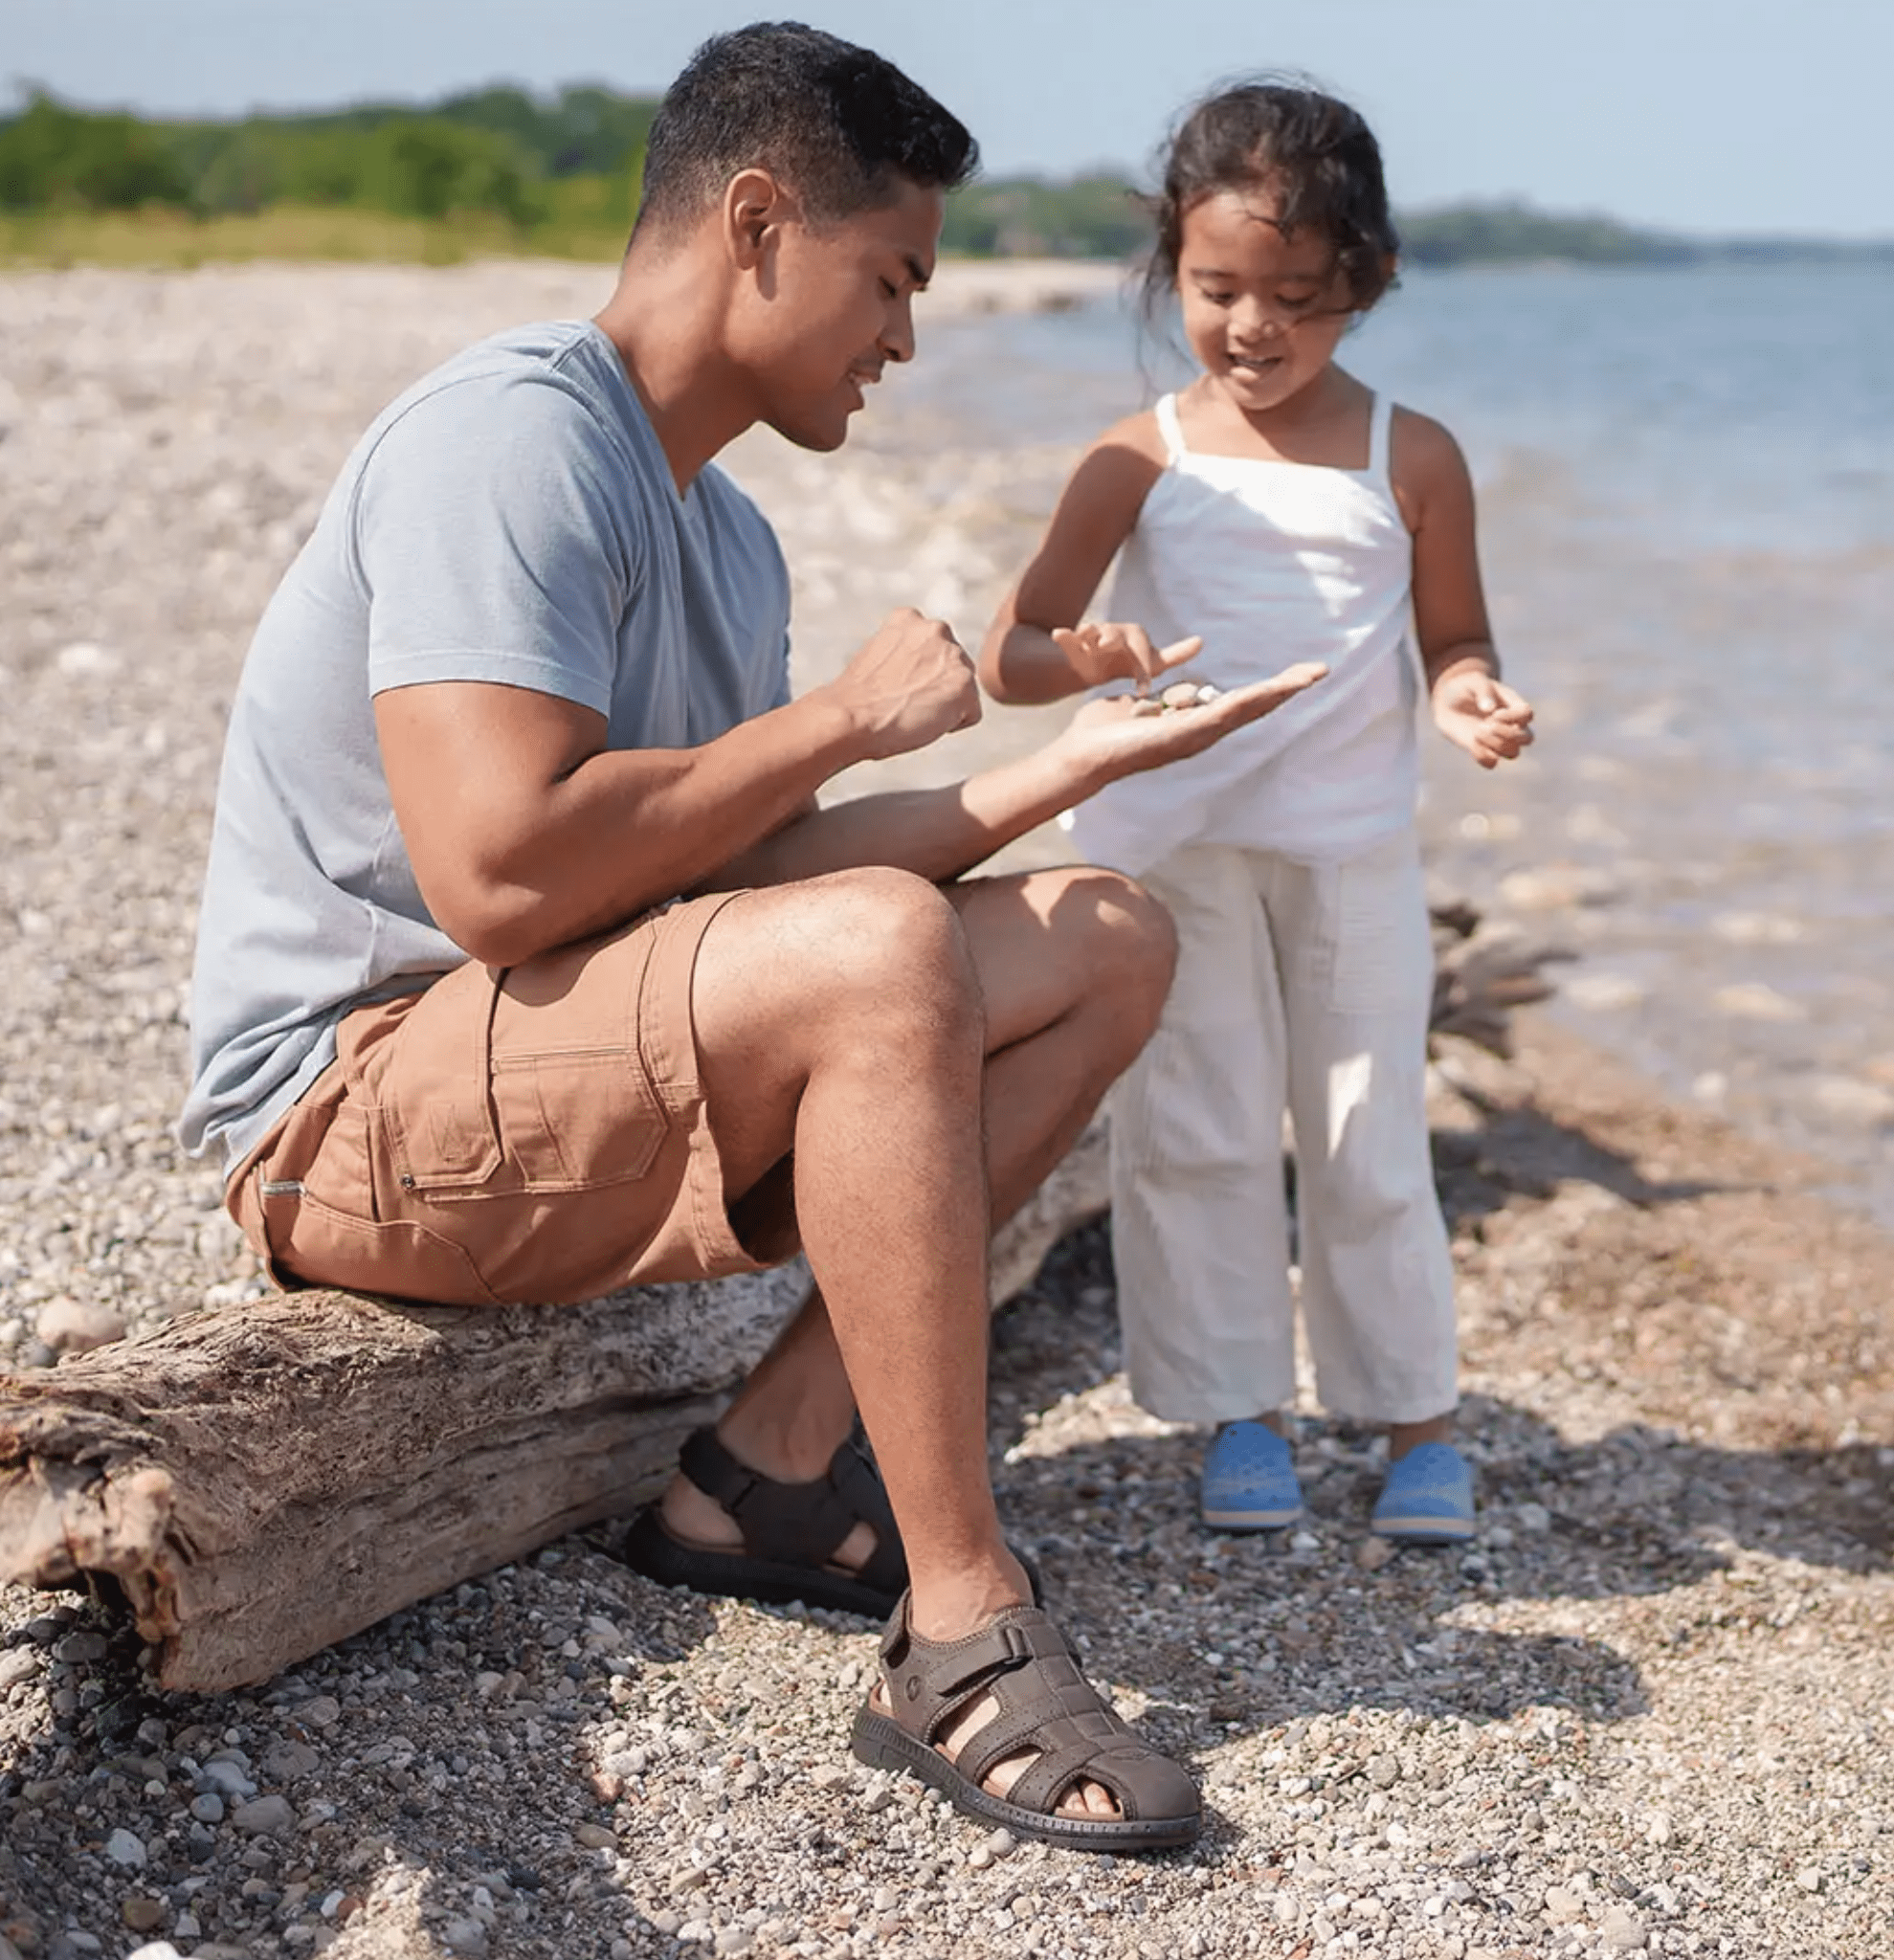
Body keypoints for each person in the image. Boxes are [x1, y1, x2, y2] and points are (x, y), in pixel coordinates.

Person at [180, 25, 1322, 1853]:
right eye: (894, 280)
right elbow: (497, 876)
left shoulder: (732, 542)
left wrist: (1057, 769)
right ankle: (960, 1631)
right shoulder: (514, 438)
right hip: (353, 1106)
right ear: (762, 220)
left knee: (1111, 934)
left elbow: (755, 869)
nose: (905, 337)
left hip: (555, 1047)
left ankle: (770, 1473)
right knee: (881, 949)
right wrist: (848, 719)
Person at [980, 79, 1534, 1546]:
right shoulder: (1137, 454)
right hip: (1173, 853)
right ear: (1172, 262)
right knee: (1203, 1130)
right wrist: (1084, 659)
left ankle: (1417, 1420)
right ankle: (1243, 1412)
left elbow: (1456, 638)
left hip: (1351, 850)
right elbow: (1014, 649)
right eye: (1219, 288)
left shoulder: (1409, 457)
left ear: (1371, 280)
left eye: (1297, 296)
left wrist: (1468, 698)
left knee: (1367, 1134)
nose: (1252, 327)